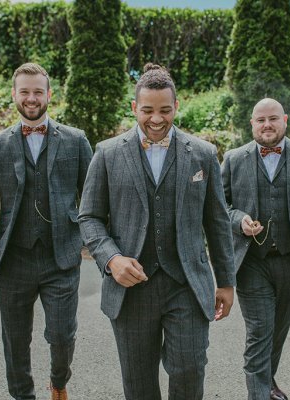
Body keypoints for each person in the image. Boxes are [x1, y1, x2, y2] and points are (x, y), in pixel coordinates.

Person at [77, 63, 236, 400]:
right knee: (138, 384)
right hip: (131, 288)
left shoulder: (204, 154)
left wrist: (226, 281)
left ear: (176, 107)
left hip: (187, 284)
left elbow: (218, 222)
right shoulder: (107, 153)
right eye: (147, 110)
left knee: (190, 369)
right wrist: (112, 259)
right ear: (135, 108)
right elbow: (89, 217)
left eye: (165, 110)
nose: (156, 119)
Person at [0, 63, 92, 400]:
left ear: (49, 94)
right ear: (14, 95)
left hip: (62, 256)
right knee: (15, 338)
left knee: (62, 335)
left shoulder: (76, 140)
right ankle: (22, 394)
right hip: (13, 258)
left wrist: (96, 245)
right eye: (24, 91)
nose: (31, 98)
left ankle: (58, 382)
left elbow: (95, 199)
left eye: (38, 91)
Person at [222, 98, 290, 400]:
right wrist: (238, 220)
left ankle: (267, 381)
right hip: (251, 262)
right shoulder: (234, 159)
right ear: (252, 124)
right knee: (259, 331)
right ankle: (259, 394)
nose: (267, 125)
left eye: (273, 119)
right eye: (261, 120)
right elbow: (221, 206)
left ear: (285, 120)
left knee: (279, 329)